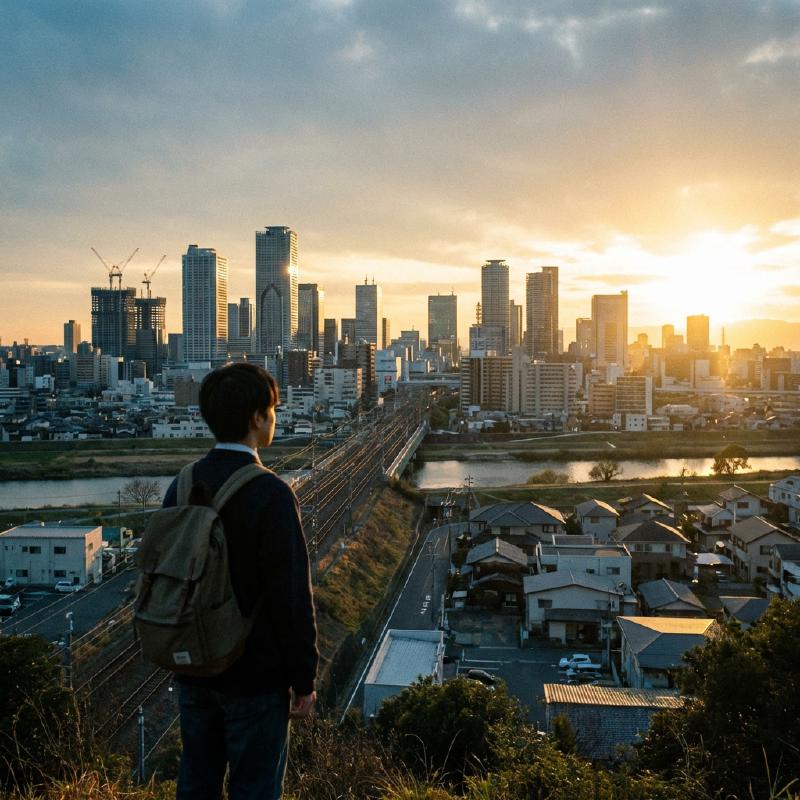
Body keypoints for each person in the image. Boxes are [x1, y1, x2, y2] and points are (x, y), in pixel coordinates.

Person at [162, 363, 318, 800]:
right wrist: (304, 679)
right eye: (273, 409)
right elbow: (291, 597)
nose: (275, 418)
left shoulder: (183, 483)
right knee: (255, 789)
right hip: (255, 676)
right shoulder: (270, 493)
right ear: (255, 417)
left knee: (196, 784)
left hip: (193, 667)